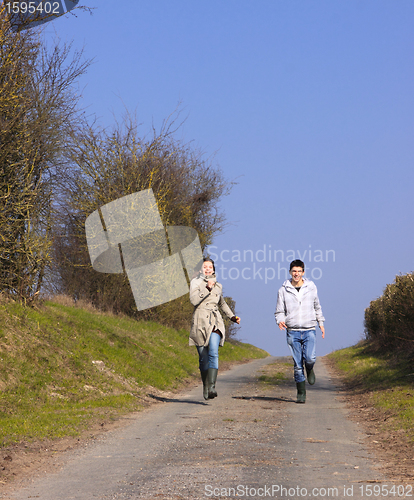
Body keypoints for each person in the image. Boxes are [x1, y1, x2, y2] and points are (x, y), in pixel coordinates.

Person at [275, 259, 325, 403]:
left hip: (309, 329)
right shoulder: (283, 290)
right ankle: (301, 393)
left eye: (299, 271)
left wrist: (320, 323)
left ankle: (309, 368)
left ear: (303, 272)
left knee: (310, 358)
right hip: (293, 331)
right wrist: (280, 320)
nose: (296, 274)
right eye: (294, 271)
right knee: (297, 365)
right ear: (290, 272)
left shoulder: (311, 287)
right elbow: (279, 311)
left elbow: (317, 306)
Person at [189, 258, 240, 400]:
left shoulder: (219, 285)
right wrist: (207, 288)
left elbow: (222, 303)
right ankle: (205, 385)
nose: (207, 269)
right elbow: (193, 300)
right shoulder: (195, 283)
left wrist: (232, 316)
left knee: (213, 351)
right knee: (203, 358)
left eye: (210, 267)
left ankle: (212, 387)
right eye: (205, 267)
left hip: (215, 321)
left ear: (214, 269)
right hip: (200, 321)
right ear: (200, 270)